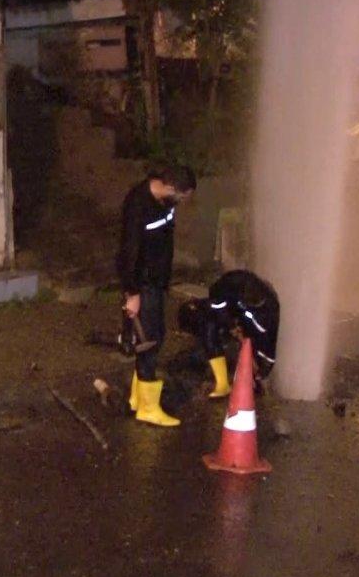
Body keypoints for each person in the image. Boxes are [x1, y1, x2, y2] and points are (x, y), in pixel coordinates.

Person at [118, 163, 197, 427]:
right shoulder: (138, 205)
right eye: (183, 197)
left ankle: (137, 399)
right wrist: (132, 292)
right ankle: (149, 408)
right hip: (143, 284)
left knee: (152, 337)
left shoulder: (165, 202)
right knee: (150, 340)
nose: (183, 203)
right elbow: (128, 252)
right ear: (170, 187)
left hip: (157, 282)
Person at [177, 270, 280, 397]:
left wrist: (260, 369)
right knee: (206, 323)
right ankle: (222, 382)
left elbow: (268, 344)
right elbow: (215, 304)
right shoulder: (231, 284)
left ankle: (242, 374)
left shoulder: (269, 311)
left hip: (245, 328)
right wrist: (230, 324)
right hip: (227, 314)